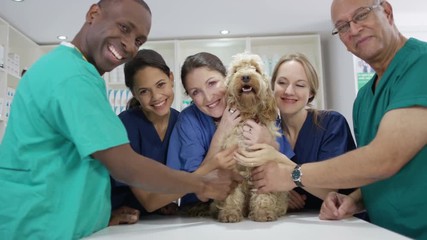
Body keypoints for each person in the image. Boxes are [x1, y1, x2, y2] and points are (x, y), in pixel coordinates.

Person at [0, 1, 242, 239]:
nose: (128, 45)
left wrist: (99, 215)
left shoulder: (73, 70)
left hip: (55, 222)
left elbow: (69, 163)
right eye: (124, 28)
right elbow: (124, 166)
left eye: (138, 40)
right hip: (36, 227)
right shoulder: (71, 77)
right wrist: (202, 184)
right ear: (93, 13)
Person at [235, 0, 427, 238]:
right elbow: (371, 175)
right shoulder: (364, 99)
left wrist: (292, 175)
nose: (353, 30)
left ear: (387, 11)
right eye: (343, 26)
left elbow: (385, 158)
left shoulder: (421, 64)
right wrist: (354, 201)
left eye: (361, 15)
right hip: (380, 230)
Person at [166, 52, 294, 208]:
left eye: (212, 83)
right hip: (200, 210)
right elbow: (195, 186)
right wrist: (221, 134)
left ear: (228, 79)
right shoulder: (188, 120)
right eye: (195, 92)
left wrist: (269, 144)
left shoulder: (257, 106)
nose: (208, 97)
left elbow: (284, 164)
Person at [270, 53, 356, 211]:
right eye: (282, 82)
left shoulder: (331, 124)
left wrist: (279, 161)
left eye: (300, 85)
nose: (289, 91)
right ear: (272, 86)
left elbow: (329, 191)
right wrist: (279, 195)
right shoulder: (268, 129)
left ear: (311, 92)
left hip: (339, 222)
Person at [109, 49, 180, 225]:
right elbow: (148, 200)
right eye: (144, 91)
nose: (156, 97)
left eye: (161, 84)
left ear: (171, 78)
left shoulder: (182, 122)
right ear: (134, 93)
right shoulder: (125, 125)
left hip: (153, 220)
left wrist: (163, 203)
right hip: (118, 220)